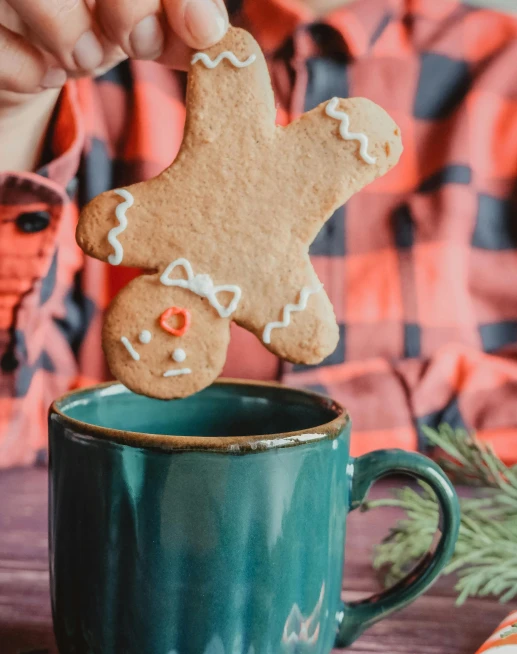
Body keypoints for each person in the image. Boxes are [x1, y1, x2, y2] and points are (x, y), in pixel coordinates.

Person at [0, 0, 516, 468]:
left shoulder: (503, 77)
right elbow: (21, 419)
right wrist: (13, 123)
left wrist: (308, 426)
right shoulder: (94, 66)